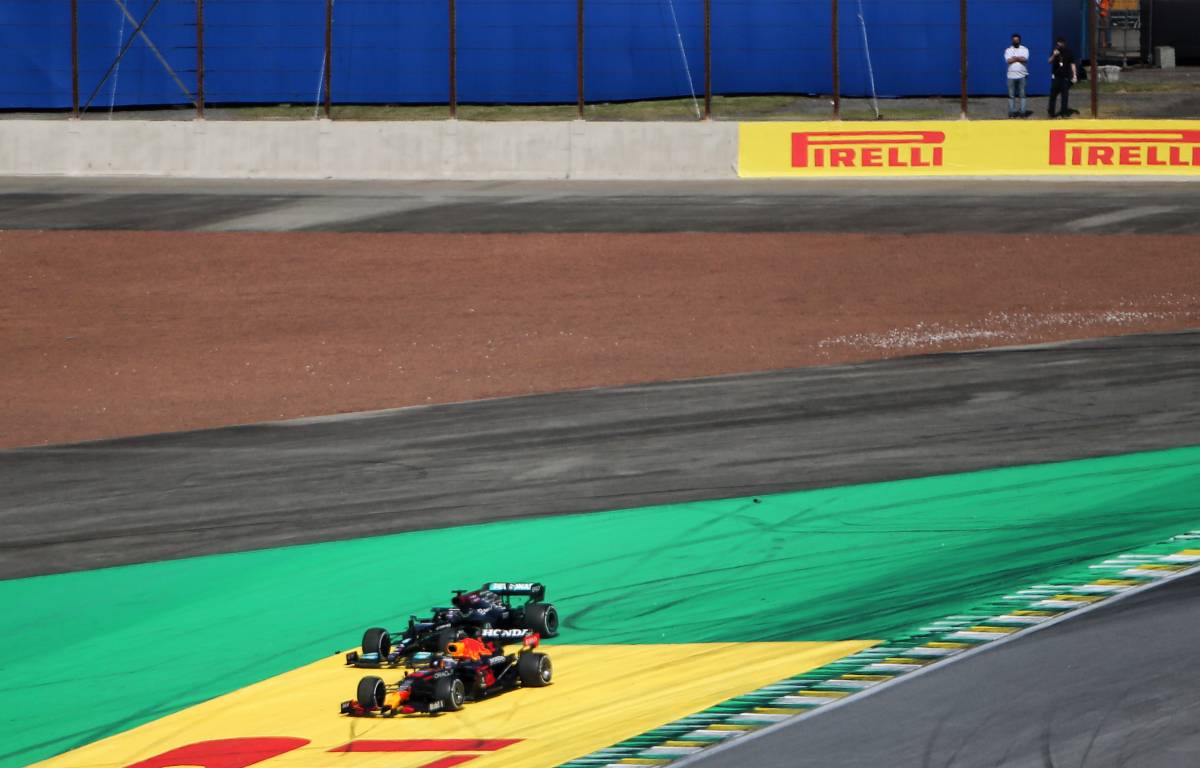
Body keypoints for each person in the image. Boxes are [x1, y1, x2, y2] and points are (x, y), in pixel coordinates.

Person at [1047, 37, 1078, 118]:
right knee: (1053, 95)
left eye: (1060, 43)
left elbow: (1072, 64)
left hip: (1065, 77)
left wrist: (1074, 75)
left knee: (1065, 96)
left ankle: (1064, 112)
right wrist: (1054, 55)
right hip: (1056, 77)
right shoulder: (1055, 51)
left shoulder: (1069, 52)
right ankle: (1051, 112)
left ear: (1064, 44)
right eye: (1057, 44)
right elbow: (1049, 61)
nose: (1059, 45)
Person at [1004, 33, 1030, 118]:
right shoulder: (1008, 50)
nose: (1015, 41)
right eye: (1014, 40)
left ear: (1019, 40)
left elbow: (1025, 59)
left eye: (1017, 40)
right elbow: (1008, 61)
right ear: (1012, 40)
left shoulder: (1025, 49)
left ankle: (1022, 112)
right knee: (1011, 96)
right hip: (1011, 76)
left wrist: (1014, 58)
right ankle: (1012, 112)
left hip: (1022, 76)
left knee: (1022, 95)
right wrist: (1019, 58)